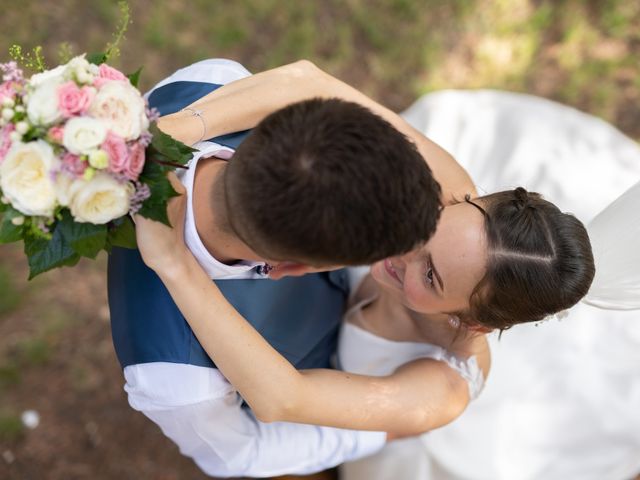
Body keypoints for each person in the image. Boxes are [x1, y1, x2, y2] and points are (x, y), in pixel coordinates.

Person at [130, 60, 592, 475]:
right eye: (435, 220)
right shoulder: (450, 188)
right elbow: (305, 83)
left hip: (331, 407)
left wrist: (174, 262)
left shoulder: (444, 386)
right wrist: (159, 137)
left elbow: (282, 400)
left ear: (468, 320)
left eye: (430, 275)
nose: (404, 246)